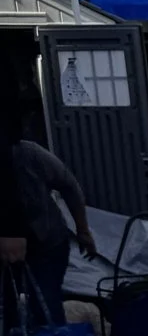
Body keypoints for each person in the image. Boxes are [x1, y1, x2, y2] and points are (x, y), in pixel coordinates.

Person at [7, 126, 95, 324]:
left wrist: (83, 230)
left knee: (45, 307)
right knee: (9, 313)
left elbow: (69, 186)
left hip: (47, 244)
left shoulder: (28, 153)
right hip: (8, 251)